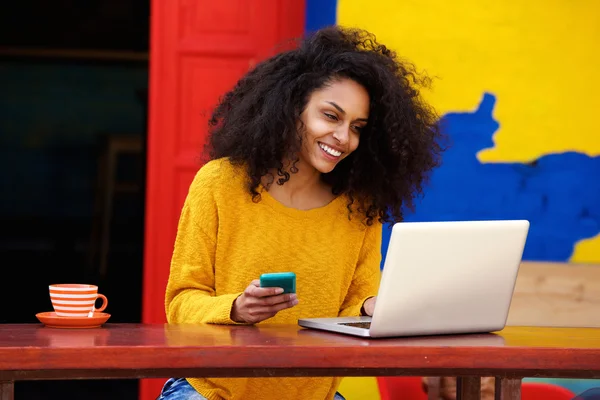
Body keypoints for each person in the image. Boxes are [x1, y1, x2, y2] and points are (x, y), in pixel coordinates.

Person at [157, 25, 444, 400]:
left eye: (357, 127)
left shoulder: (360, 207)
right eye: (330, 116)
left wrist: (378, 307)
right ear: (293, 109)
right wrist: (237, 309)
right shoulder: (219, 183)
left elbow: (356, 305)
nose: (344, 138)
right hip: (213, 390)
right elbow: (180, 301)